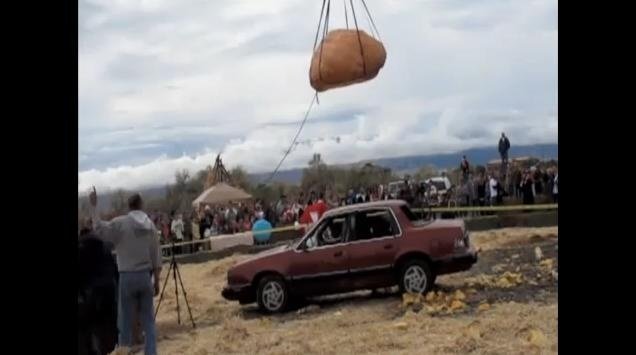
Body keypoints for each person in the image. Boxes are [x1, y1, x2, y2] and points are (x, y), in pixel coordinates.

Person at [89, 188, 161, 355]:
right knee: (148, 322)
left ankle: (124, 352)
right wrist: (156, 280)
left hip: (127, 276)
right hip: (145, 275)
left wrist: (94, 207)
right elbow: (156, 254)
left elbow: (99, 229)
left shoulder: (121, 223)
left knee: (125, 323)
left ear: (129, 206)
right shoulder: (150, 225)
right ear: (141, 205)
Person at [78, 227, 118, 355]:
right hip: (108, 292)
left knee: (85, 327)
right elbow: (114, 270)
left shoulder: (80, 248)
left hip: (89, 294)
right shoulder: (105, 247)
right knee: (107, 328)